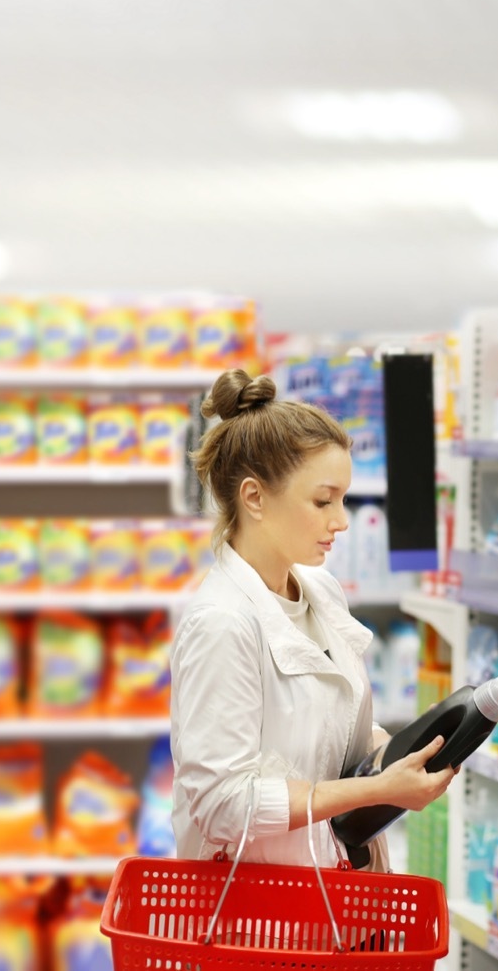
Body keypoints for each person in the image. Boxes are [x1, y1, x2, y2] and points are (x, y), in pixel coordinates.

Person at [170, 368, 455, 872]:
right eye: (324, 501)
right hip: (260, 924)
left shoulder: (320, 592)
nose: (341, 520)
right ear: (254, 497)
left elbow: (335, 730)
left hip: (341, 901)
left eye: (343, 499)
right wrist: (370, 790)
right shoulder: (222, 623)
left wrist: (395, 755)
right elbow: (221, 805)